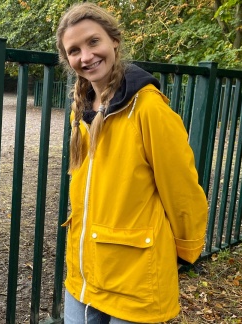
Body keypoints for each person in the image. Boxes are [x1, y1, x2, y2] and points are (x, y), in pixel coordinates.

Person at [55, 2, 208, 323]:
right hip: (85, 272)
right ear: (67, 59)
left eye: (93, 42)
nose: (86, 56)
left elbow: (181, 188)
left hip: (135, 276)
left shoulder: (148, 108)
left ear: (114, 41)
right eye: (74, 50)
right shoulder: (79, 109)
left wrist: (184, 250)